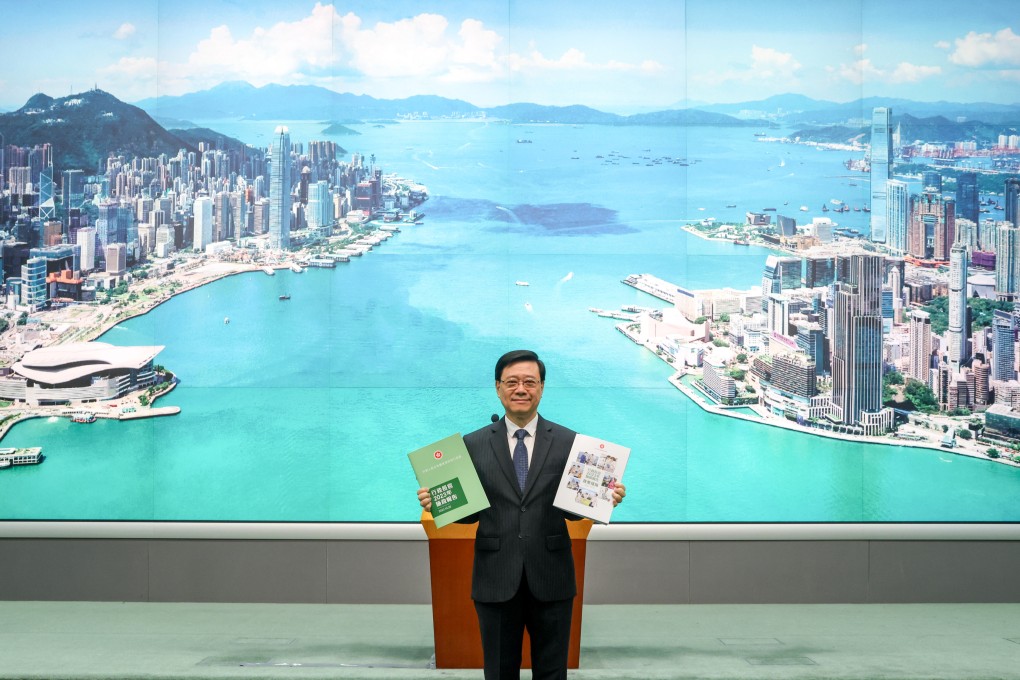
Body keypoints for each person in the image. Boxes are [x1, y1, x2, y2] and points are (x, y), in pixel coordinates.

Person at [418, 349, 626, 680]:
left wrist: (605, 497)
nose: (521, 389)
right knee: (499, 671)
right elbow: (471, 515)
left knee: (552, 672)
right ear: (498, 387)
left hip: (552, 576)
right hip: (495, 578)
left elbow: (573, 513)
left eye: (530, 381)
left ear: (541, 388)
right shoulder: (471, 445)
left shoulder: (570, 442)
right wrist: (439, 502)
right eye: (512, 381)